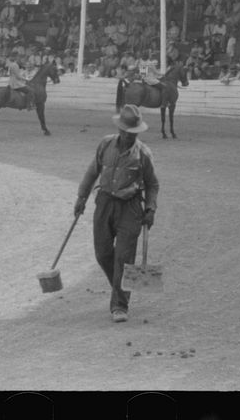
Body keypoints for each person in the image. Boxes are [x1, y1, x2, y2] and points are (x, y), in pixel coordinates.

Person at [74, 104, 160, 324]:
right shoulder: (105, 144)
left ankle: (120, 305)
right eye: (126, 132)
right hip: (104, 202)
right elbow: (92, 172)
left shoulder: (143, 153)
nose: (130, 136)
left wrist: (150, 209)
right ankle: (120, 284)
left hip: (130, 208)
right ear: (120, 129)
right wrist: (81, 198)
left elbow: (152, 184)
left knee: (123, 257)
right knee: (102, 253)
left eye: (134, 133)